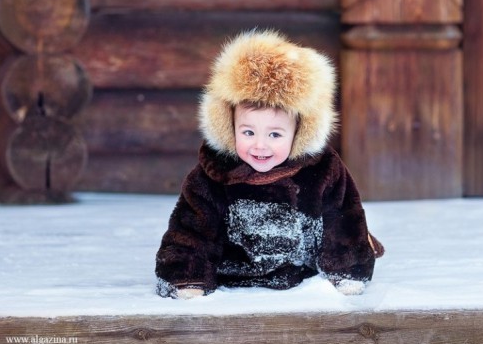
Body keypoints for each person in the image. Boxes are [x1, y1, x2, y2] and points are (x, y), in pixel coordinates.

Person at [155, 30, 384, 299]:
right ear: (229, 127)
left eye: (275, 134)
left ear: (300, 133)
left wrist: (348, 272)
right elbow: (191, 231)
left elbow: (343, 221)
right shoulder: (214, 174)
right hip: (232, 280)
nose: (260, 146)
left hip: (301, 281)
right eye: (248, 132)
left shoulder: (322, 170)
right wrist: (186, 278)